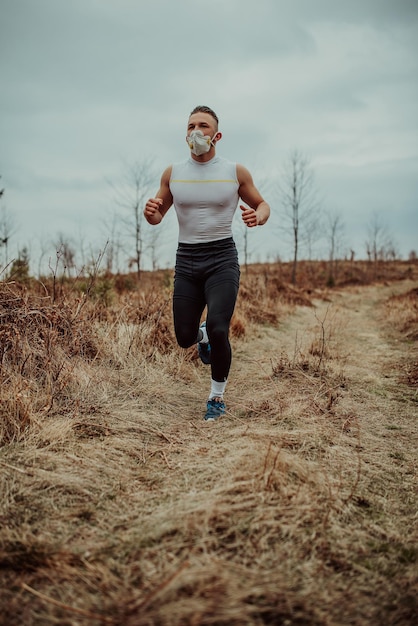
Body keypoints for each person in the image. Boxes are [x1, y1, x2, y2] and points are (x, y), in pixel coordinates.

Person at [144, 105, 270, 421]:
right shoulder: (172, 173)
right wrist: (151, 213)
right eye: (191, 126)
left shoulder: (234, 172)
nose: (196, 131)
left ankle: (216, 397)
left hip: (221, 260)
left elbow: (263, 203)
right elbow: (159, 215)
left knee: (219, 328)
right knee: (184, 337)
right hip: (186, 262)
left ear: (217, 135)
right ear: (185, 133)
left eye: (203, 125)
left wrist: (259, 217)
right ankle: (201, 336)